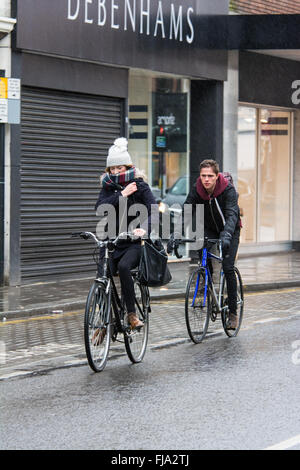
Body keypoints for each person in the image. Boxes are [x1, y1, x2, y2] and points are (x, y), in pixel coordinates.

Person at [95, 137, 158, 330]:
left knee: (124, 268)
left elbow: (154, 210)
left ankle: (131, 315)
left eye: (119, 168)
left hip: (133, 243)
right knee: (101, 277)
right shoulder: (108, 187)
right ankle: (105, 323)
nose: (115, 172)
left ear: (127, 166)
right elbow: (100, 208)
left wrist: (145, 228)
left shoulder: (140, 186)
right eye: (112, 169)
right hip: (112, 241)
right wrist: (121, 194)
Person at [172, 159, 241, 329]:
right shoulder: (197, 190)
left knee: (228, 267)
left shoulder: (228, 190)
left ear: (217, 176)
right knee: (203, 255)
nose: (206, 179)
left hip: (231, 230)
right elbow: (187, 211)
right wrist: (176, 234)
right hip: (210, 229)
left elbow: (232, 215)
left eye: (210, 176)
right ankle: (207, 287)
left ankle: (233, 312)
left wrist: (226, 235)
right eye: (203, 176)